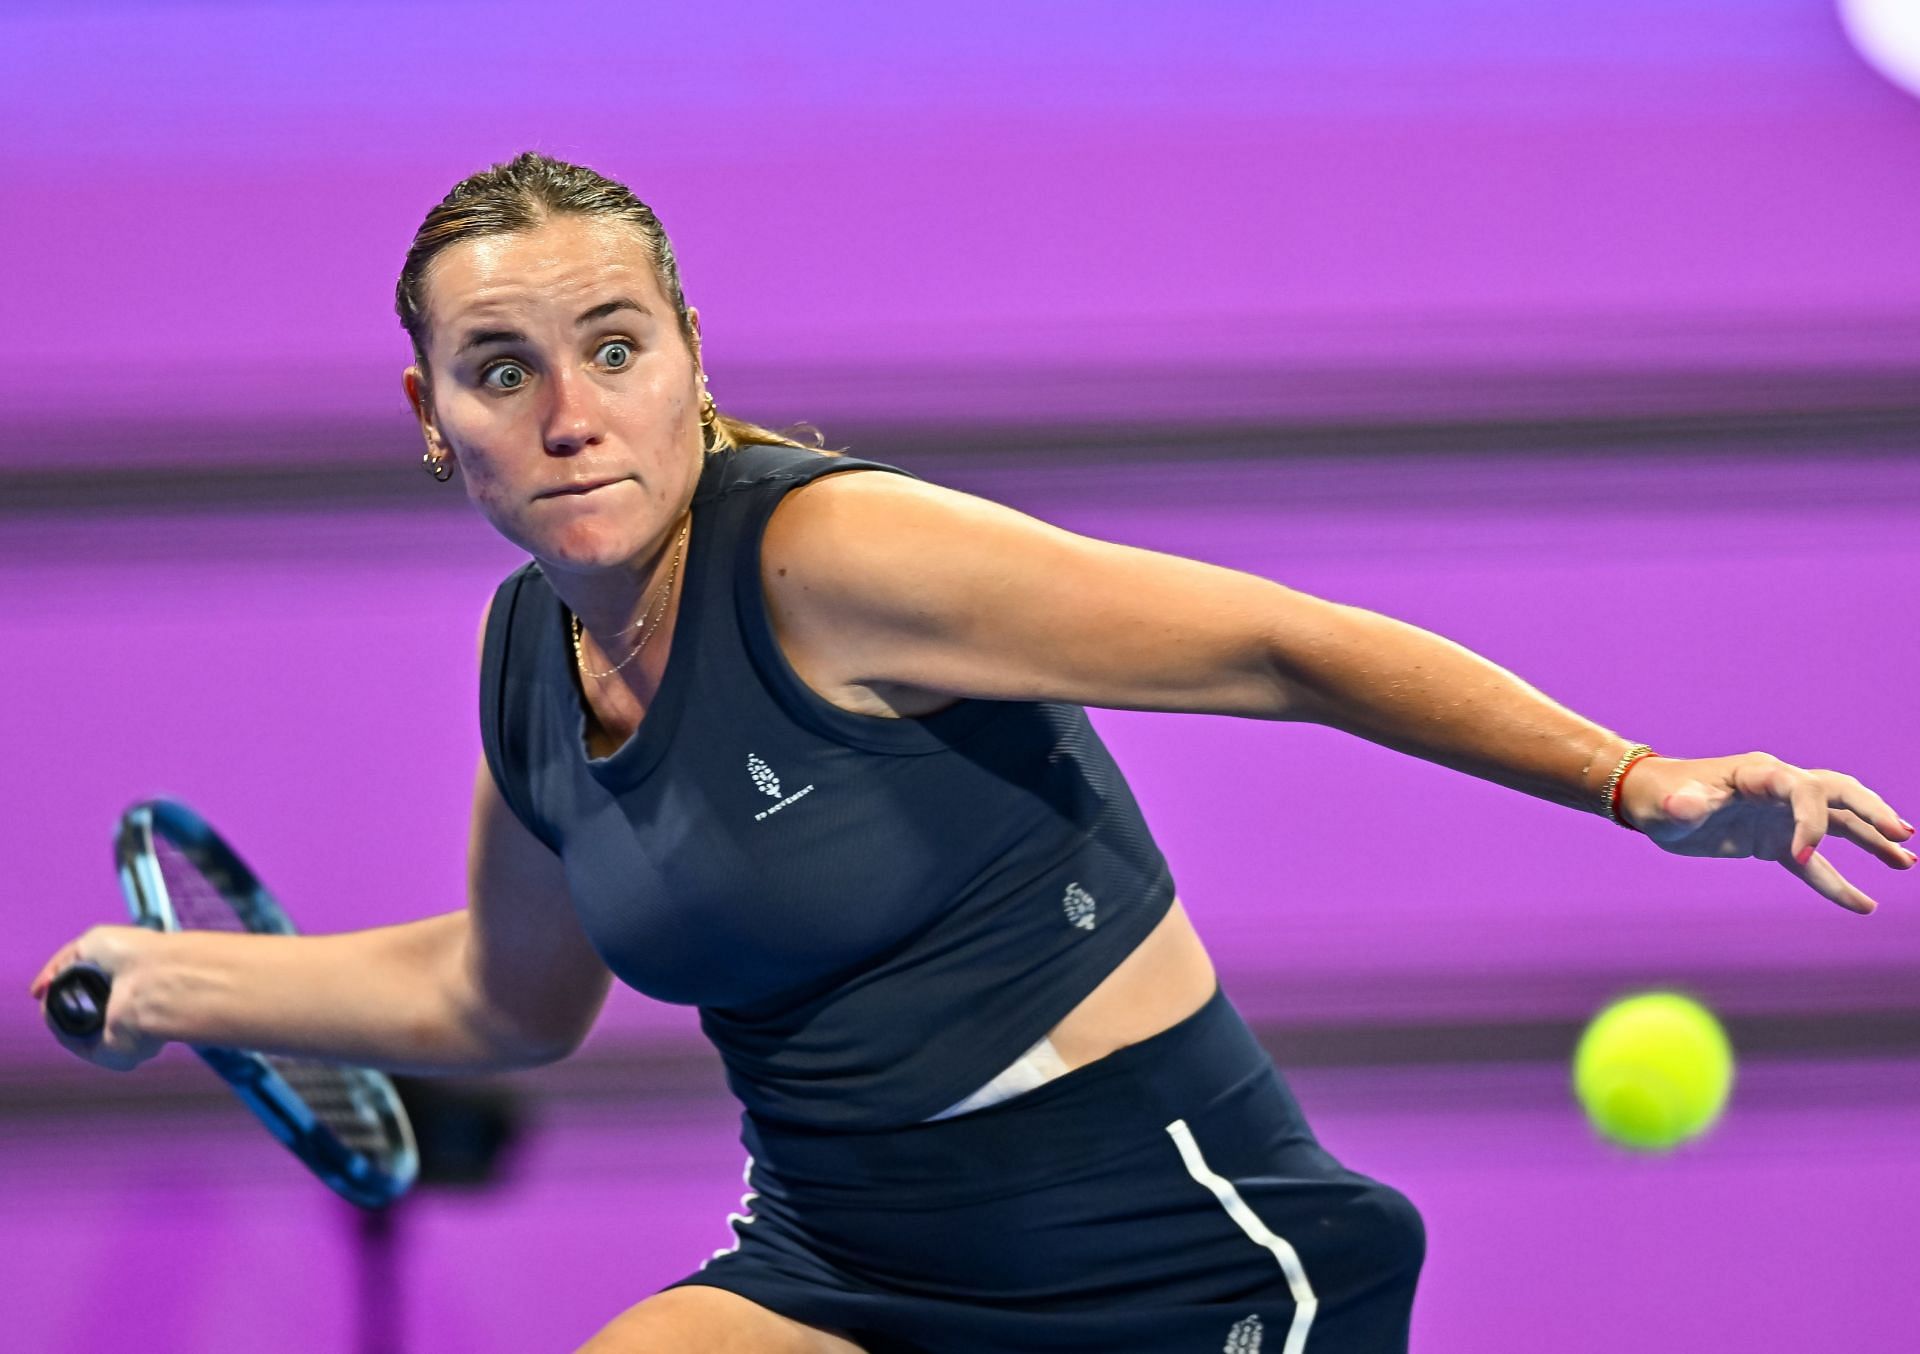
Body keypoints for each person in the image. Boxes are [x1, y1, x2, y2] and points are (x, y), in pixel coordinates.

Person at [32, 152, 1913, 1354]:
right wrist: (187, 979)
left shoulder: (835, 558)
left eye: (615, 345)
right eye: (502, 369)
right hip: (850, 1272)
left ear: (693, 355)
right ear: (436, 424)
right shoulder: (525, 664)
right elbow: (500, 993)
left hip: (1173, 1257)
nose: (572, 411)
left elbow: (1277, 643)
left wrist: (1634, 778)